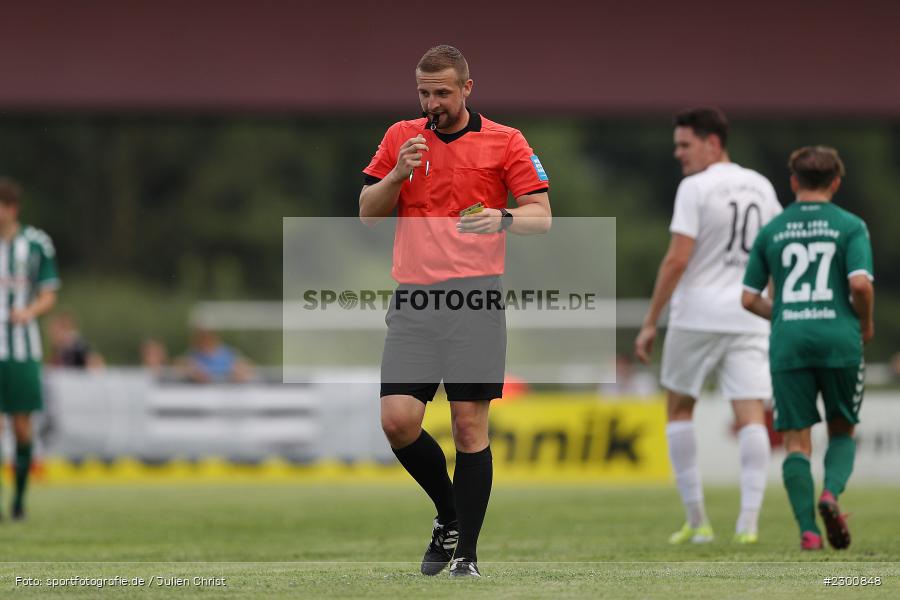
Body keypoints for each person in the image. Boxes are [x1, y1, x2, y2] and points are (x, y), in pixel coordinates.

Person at [359, 45, 551, 577]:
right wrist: (396, 175)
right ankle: (448, 516)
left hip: (475, 299)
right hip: (415, 300)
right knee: (398, 421)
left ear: (468, 88)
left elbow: (542, 216)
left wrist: (503, 217)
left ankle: (466, 554)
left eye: (442, 91)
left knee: (469, 428)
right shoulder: (402, 137)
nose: (432, 102)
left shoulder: (505, 140)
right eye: (424, 91)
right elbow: (367, 213)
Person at [634, 108, 782, 544]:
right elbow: (774, 252)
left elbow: (678, 258)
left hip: (697, 314)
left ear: (712, 142)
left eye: (685, 144)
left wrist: (650, 321)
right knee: (751, 415)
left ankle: (698, 522)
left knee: (680, 409)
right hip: (750, 311)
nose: (678, 153)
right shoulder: (761, 186)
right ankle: (748, 525)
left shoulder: (694, 187)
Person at [742, 146, 874, 551]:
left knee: (796, 442)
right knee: (842, 429)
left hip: (789, 343)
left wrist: (785, 314)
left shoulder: (773, 230)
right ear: (835, 182)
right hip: (839, 340)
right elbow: (859, 284)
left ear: (794, 182)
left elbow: (748, 298)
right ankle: (830, 495)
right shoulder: (851, 226)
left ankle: (809, 532)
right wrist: (864, 321)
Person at [0, 178, 59, 520]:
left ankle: (19, 501)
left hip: (22, 349)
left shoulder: (36, 244)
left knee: (22, 427)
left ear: (12, 209)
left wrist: (29, 312)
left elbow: (49, 294)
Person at [176, 328, 254, 384]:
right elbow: (178, 365)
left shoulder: (227, 352)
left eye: (207, 338)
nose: (205, 342)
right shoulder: (194, 354)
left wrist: (238, 372)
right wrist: (191, 371)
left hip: (227, 391)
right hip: (202, 391)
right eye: (202, 339)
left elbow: (245, 365)